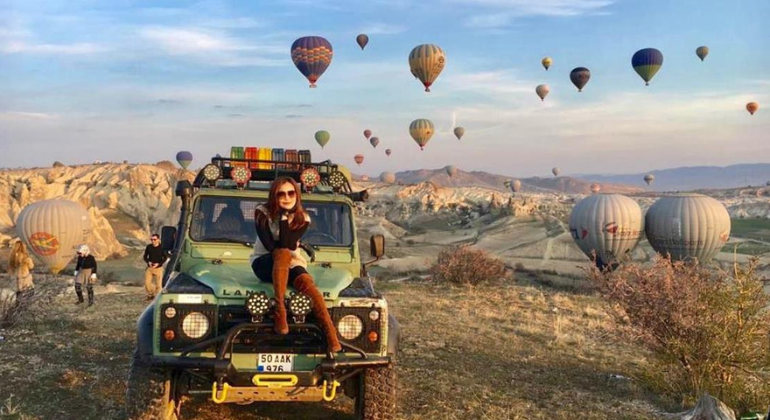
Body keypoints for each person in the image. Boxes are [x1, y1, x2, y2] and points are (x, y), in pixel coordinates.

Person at [250, 177, 342, 353]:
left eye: (291, 193)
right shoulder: (262, 212)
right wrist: (284, 224)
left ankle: (331, 335)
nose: (286, 197)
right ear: (274, 196)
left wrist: (284, 217)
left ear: (297, 195)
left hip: (290, 262)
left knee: (307, 282)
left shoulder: (303, 218)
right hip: (263, 262)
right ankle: (280, 311)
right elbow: (271, 246)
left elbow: (287, 243)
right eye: (281, 194)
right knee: (282, 253)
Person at [143, 234, 168, 301]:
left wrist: (158, 264)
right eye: (151, 239)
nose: (153, 241)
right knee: (147, 283)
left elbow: (165, 257)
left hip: (158, 268)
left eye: (154, 239)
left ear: (158, 240)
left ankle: (157, 298)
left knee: (159, 285)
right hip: (150, 268)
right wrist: (148, 262)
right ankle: (151, 295)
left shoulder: (162, 247)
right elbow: (145, 256)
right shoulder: (149, 247)